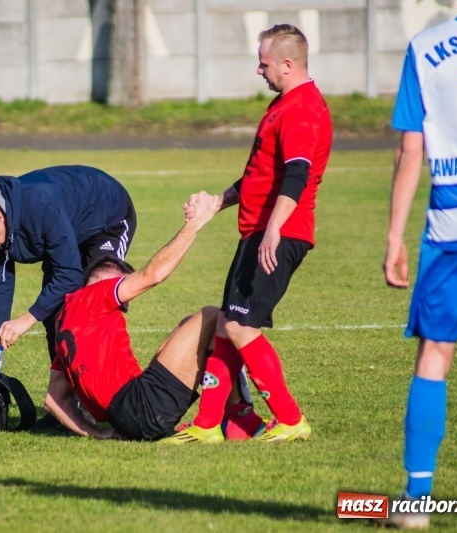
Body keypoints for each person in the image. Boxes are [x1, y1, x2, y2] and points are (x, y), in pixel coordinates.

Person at [379, 0, 457, 528]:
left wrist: (393, 236)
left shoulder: (427, 47)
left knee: (435, 352)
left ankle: (417, 503)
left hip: (454, 224)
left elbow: (412, 152)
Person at [179, 24, 332, 444]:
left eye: (264, 63)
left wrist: (274, 230)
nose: (258, 70)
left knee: (244, 328)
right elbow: (259, 177)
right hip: (260, 231)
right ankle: (208, 425)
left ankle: (290, 418)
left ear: (287, 64)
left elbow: (297, 175)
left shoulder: (301, 108)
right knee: (229, 324)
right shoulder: (284, 105)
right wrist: (217, 201)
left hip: (277, 233)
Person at [45, 191, 263, 442]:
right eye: (123, 302)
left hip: (125, 418)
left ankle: (231, 415)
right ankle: (231, 418)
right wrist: (196, 222)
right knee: (213, 317)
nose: (124, 307)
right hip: (140, 406)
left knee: (189, 327)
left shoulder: (66, 320)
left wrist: (98, 433)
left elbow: (53, 399)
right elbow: (153, 274)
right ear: (109, 283)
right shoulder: (95, 295)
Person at [0, 165, 136, 393]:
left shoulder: (40, 206)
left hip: (107, 220)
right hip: (66, 226)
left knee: (91, 308)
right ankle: (65, 400)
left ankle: (105, 393)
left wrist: (27, 319)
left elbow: (69, 275)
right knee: (54, 314)